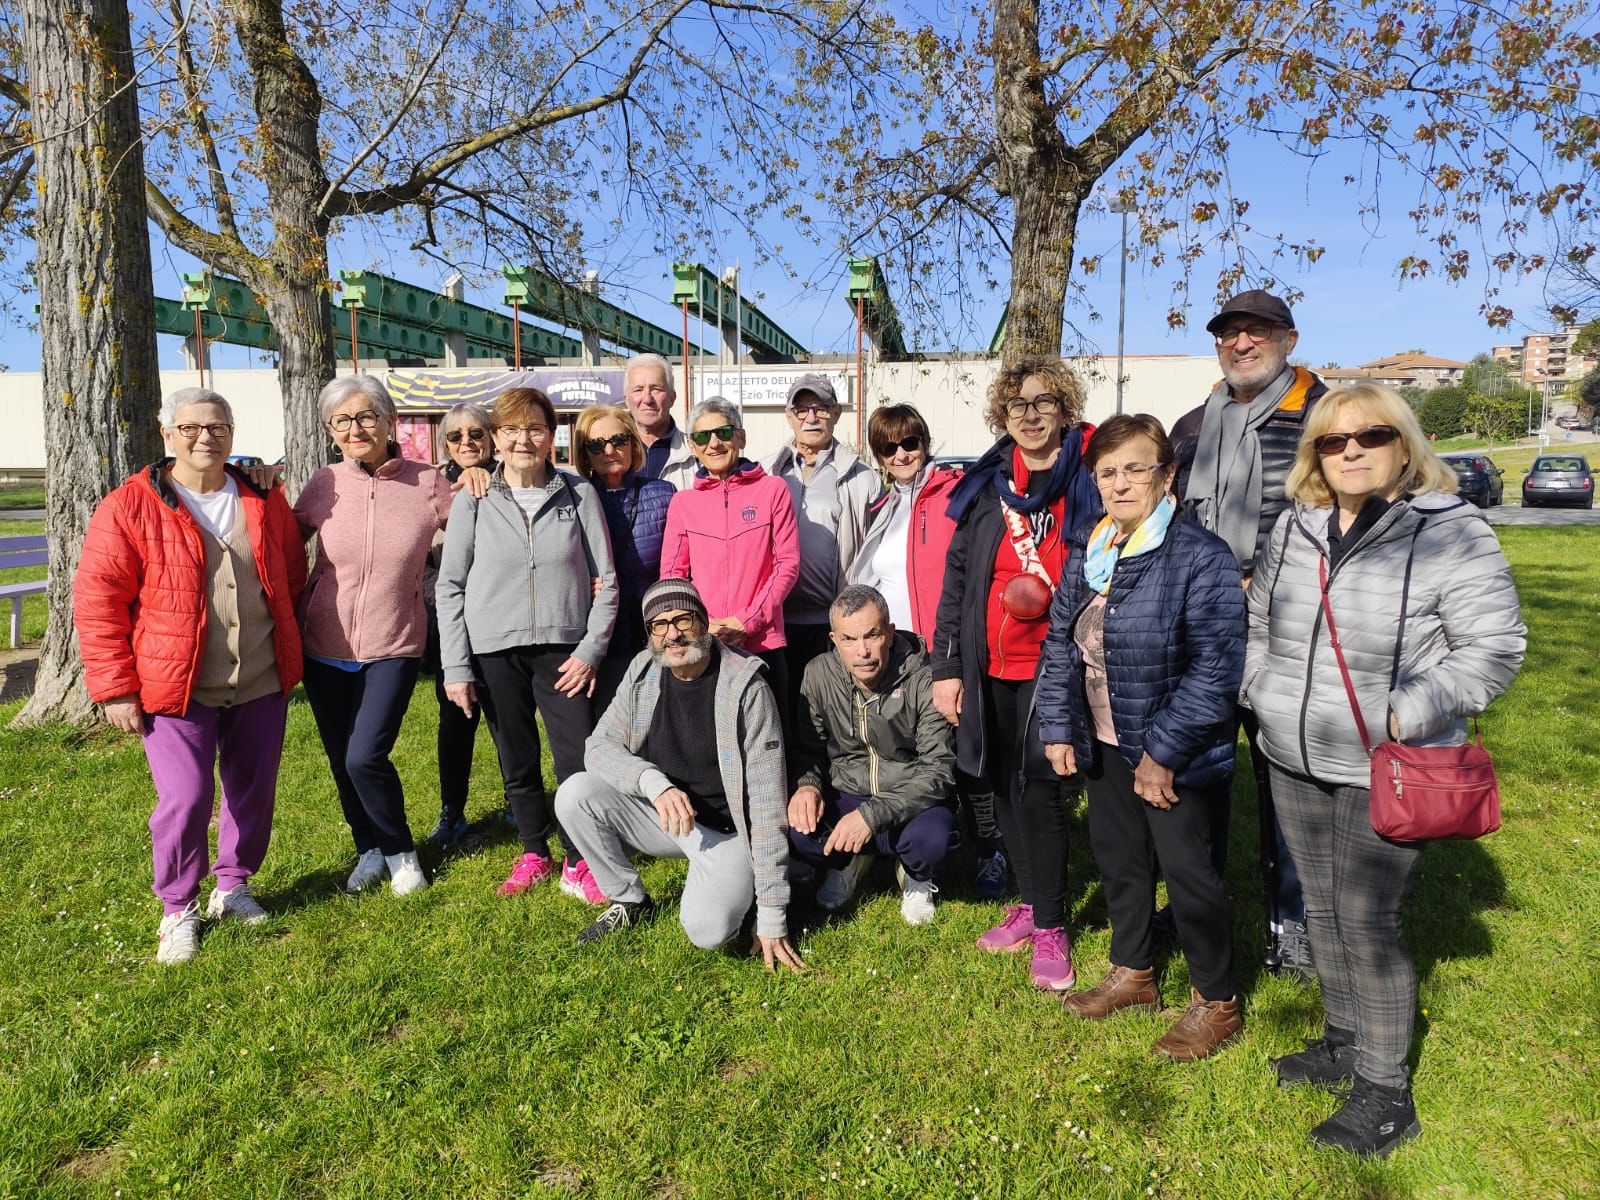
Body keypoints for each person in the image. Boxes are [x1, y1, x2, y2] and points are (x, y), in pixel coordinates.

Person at [1243, 383, 1525, 1155]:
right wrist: (1261, 691)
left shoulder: (1451, 531)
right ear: (1316, 455)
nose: (1352, 451)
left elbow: (1493, 649)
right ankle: (1344, 1041)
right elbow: (1260, 624)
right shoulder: (1296, 527)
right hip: (1293, 754)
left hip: (1388, 764)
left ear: (1404, 444)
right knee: (1322, 909)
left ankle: (1386, 1092)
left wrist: (1403, 712)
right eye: (1333, 441)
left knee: (1367, 919)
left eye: (1371, 435)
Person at [1036, 414, 1245, 1060]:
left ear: (1167, 474)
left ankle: (1217, 999)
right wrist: (1058, 725)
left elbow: (1217, 669)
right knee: (1119, 859)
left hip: (1172, 752)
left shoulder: (1199, 556)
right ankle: (1134, 972)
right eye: (1108, 472)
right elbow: (1060, 642)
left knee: (1189, 875)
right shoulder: (1093, 547)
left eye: (1135, 468)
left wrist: (1163, 753)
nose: (1121, 483)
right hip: (1104, 737)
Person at [74, 387, 306, 963]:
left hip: (259, 676)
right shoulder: (130, 505)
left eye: (218, 427)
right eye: (192, 428)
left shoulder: (262, 496)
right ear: (167, 434)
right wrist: (116, 688)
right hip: (175, 687)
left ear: (232, 432)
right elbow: (99, 601)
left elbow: (290, 574)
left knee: (252, 790)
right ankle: (177, 907)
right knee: (187, 796)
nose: (206, 437)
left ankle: (233, 884)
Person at [1171, 288, 1329, 977]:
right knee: (1196, 776)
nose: (1240, 343)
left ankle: (1293, 921)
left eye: (1256, 330)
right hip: (1203, 632)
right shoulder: (1192, 425)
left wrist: (1257, 581)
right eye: (1228, 333)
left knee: (1286, 782)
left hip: (1290, 632)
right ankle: (1196, 904)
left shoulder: (1325, 417)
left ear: (1289, 339)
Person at [932, 355, 1100, 991]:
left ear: (1064, 408)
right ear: (1002, 415)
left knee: (1040, 790)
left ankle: (1053, 925)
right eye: (1017, 405)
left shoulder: (1087, 478)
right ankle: (1030, 903)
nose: (1030, 416)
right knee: (1002, 782)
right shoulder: (987, 486)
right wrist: (948, 666)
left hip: (1054, 663)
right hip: (990, 664)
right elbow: (956, 582)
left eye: (1043, 402)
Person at [554, 578, 806, 971]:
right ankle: (629, 900)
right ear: (650, 635)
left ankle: (758, 883)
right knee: (575, 794)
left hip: (728, 831)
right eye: (660, 624)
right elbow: (598, 747)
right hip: (668, 817)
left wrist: (772, 914)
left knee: (708, 931)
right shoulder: (644, 670)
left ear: (704, 622)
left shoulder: (746, 686)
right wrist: (653, 783)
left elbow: (767, 802)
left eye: (683, 619)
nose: (673, 633)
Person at [435, 387, 619, 904]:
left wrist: (590, 650)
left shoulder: (578, 494)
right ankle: (535, 850)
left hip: (565, 652)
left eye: (535, 428)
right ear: (496, 438)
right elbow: (450, 586)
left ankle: (580, 858)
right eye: (511, 429)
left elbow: (608, 581)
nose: (523, 439)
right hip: (495, 650)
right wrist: (456, 667)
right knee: (516, 758)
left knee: (576, 760)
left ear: (551, 436)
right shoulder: (473, 498)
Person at [294, 375, 455, 897]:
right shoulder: (324, 482)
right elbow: (282, 541)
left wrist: (479, 475)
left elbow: (473, 535)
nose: (356, 428)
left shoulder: (428, 482)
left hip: (395, 642)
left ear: (389, 422)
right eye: (342, 421)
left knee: (365, 755)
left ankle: (401, 853)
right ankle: (368, 848)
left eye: (366, 416)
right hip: (323, 645)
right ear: (330, 430)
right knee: (342, 760)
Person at [847, 403, 1008, 899]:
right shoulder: (883, 506)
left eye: (909, 443)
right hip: (899, 657)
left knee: (970, 755)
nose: (900, 454)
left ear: (925, 441)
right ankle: (917, 854)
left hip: (949, 649)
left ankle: (992, 852)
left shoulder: (956, 493)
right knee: (918, 756)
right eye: (887, 447)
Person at [787, 584, 957, 925]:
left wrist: (871, 816)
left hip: (909, 794)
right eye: (849, 639)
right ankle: (850, 861)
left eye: (872, 635)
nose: (862, 651)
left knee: (931, 840)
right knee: (799, 831)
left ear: (889, 634)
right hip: (848, 789)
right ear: (834, 640)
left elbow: (937, 769)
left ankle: (915, 873)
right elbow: (809, 748)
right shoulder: (818, 674)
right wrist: (807, 786)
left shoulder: (923, 677)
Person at [660, 397, 801, 730]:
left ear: (741, 436)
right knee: (710, 741)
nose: (714, 443)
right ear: (692, 447)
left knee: (770, 741)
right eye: (702, 437)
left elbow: (787, 564)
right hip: (703, 644)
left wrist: (747, 622)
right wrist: (701, 625)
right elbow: (672, 576)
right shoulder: (683, 503)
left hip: (762, 644)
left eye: (723, 432)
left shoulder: (773, 490)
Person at [764, 373, 883, 718]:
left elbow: (876, 555)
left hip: (833, 624)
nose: (811, 417)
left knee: (832, 715)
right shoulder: (767, 472)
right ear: (789, 417)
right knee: (782, 713)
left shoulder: (862, 477)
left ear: (836, 413)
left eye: (820, 408)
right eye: (801, 409)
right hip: (776, 622)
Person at [422, 402, 507, 850]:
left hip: (503, 622)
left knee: (506, 719)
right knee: (455, 721)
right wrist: (441, 594)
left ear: (491, 436)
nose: (467, 442)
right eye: (456, 436)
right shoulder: (431, 487)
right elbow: (418, 560)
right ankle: (451, 810)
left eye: (476, 433)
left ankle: (518, 800)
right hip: (452, 626)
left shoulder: (511, 479)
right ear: (445, 444)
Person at [573, 403, 675, 713]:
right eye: (596, 444)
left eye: (618, 440)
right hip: (600, 634)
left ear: (633, 443)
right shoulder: (573, 498)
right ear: (585, 453)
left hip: (655, 630)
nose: (609, 450)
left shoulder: (664, 493)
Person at [623, 352, 696, 489]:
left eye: (656, 389)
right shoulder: (608, 454)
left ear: (672, 398)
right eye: (638, 390)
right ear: (626, 399)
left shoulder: (695, 454)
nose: (647, 399)